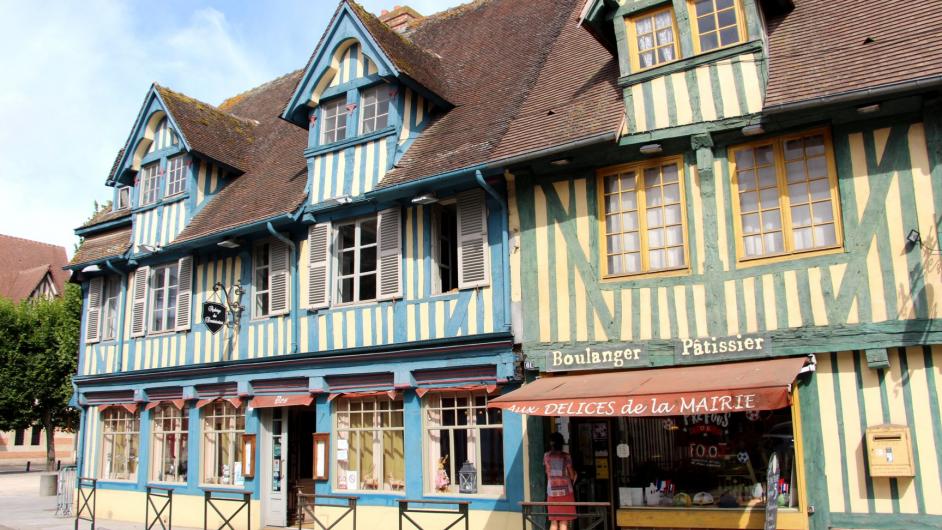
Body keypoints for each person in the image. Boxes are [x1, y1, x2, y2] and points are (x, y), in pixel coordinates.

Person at [544, 432, 577, 530]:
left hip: (552, 492)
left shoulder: (546, 456)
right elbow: (571, 475)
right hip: (566, 492)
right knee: (564, 522)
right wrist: (575, 474)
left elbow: (548, 472)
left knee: (553, 522)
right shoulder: (566, 456)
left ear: (551, 443)